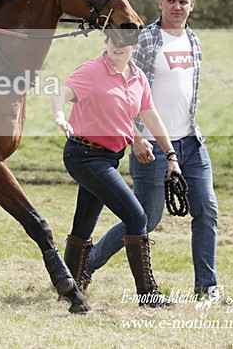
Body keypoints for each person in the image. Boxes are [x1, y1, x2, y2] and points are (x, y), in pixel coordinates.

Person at [86, 0, 219, 301]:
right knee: (146, 217)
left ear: (192, 5)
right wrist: (136, 138)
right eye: (171, 1)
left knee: (207, 210)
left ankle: (207, 287)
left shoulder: (193, 40)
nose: (177, 7)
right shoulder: (144, 41)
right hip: (151, 144)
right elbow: (120, 90)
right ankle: (85, 264)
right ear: (160, 4)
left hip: (190, 142)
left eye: (183, 1)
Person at [52, 32, 180, 307]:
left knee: (83, 224)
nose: (118, 47)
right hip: (84, 155)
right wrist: (60, 116)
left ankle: (70, 287)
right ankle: (148, 294)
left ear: (134, 46)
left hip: (108, 158)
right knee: (136, 217)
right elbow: (62, 92)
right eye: (113, 41)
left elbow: (150, 114)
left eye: (124, 43)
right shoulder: (92, 70)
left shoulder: (138, 77)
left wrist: (171, 154)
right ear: (107, 42)